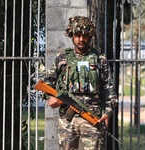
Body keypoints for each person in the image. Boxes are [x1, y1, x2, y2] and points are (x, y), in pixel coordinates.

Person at [43, 15, 117, 150]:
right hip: (67, 118)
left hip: (92, 116)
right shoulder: (62, 58)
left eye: (85, 36)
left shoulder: (100, 59)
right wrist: (50, 97)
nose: (81, 39)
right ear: (72, 35)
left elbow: (109, 89)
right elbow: (48, 81)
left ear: (90, 36)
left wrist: (107, 112)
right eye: (77, 35)